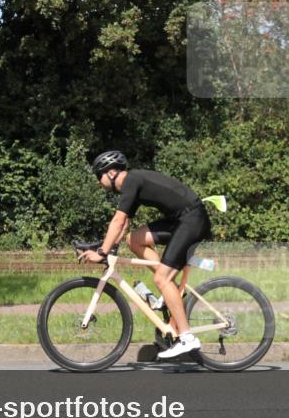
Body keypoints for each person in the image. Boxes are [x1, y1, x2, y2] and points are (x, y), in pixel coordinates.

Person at [78, 150, 212, 359]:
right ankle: (171, 290)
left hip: (192, 220)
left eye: (99, 176)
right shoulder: (133, 183)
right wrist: (107, 247)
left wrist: (102, 252)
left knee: (161, 279)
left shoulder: (131, 181)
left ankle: (187, 338)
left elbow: (118, 221)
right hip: (181, 220)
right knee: (135, 239)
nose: (99, 182)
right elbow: (124, 229)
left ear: (111, 173)